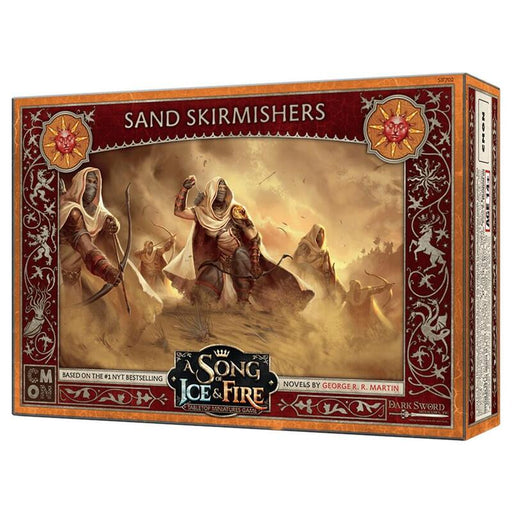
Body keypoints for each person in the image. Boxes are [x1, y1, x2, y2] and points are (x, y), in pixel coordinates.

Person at [58, 167, 162, 365]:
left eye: (95, 182)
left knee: (98, 322)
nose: (92, 186)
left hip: (74, 279)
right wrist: (107, 270)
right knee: (67, 336)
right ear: (79, 184)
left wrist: (110, 225)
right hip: (57, 283)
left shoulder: (95, 213)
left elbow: (101, 217)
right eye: (88, 181)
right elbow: (86, 248)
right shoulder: (72, 213)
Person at [164, 175, 313, 310]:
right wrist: (185, 189)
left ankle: (243, 302)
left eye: (224, 189)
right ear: (211, 192)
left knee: (240, 255)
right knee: (204, 292)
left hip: (242, 261)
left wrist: (254, 262)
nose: (222, 191)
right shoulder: (202, 212)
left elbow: (253, 237)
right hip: (219, 262)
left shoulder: (235, 211)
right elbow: (179, 211)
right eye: (218, 189)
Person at [293, 224, 342, 301]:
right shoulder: (306, 245)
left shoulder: (325, 252)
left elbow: (327, 269)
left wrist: (330, 281)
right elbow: (299, 261)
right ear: (314, 233)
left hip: (320, 278)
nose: (320, 235)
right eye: (318, 232)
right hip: (304, 275)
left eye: (322, 233)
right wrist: (314, 272)